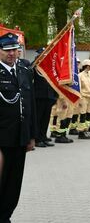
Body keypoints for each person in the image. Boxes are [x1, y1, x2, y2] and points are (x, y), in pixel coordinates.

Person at [0, 33, 36, 221]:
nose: (12, 53)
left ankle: (6, 216)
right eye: (7, 50)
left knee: (14, 183)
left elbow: (31, 106)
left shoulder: (23, 71)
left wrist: (31, 136)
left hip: (19, 138)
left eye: (14, 50)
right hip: (2, 139)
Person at [33, 48, 57, 148]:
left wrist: (55, 96)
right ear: (38, 56)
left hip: (49, 96)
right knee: (38, 119)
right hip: (39, 97)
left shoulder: (49, 67)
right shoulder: (34, 67)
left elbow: (53, 83)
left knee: (46, 119)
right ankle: (37, 139)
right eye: (42, 55)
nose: (44, 57)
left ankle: (43, 137)